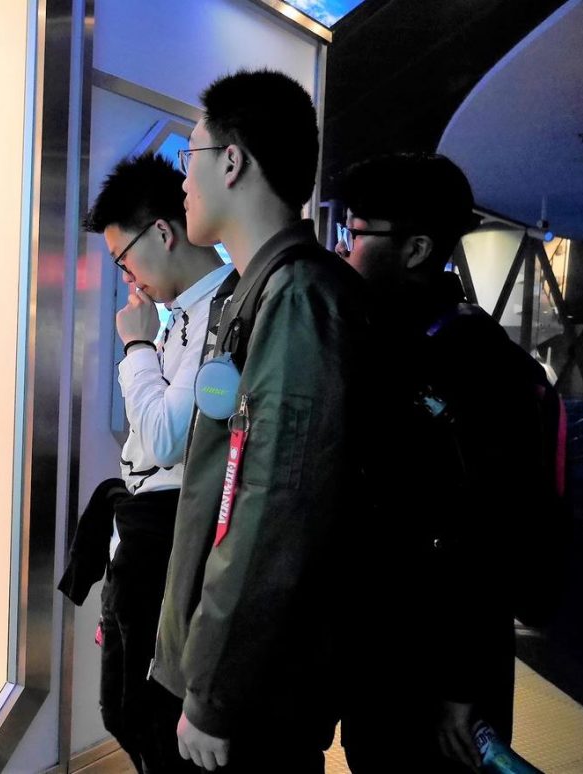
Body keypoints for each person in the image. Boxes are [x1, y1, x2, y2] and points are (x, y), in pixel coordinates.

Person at [150, 69, 370, 772]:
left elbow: (274, 510)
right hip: (235, 679)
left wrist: (213, 692)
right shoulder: (259, 292)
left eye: (191, 157)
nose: (184, 180)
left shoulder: (298, 299)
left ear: (233, 161)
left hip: (256, 697)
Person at [335, 153, 535, 773]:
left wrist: (461, 687)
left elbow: (492, 526)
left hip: (442, 673)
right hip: (386, 653)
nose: (345, 249)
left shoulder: (475, 360)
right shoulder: (387, 340)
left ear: (416, 248)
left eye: (356, 233)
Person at [59, 152, 235, 773]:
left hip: (172, 538)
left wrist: (135, 343)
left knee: (149, 718)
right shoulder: (181, 315)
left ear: (161, 232)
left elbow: (164, 438)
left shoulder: (223, 313)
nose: (128, 277)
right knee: (123, 711)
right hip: (142, 527)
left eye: (123, 258)